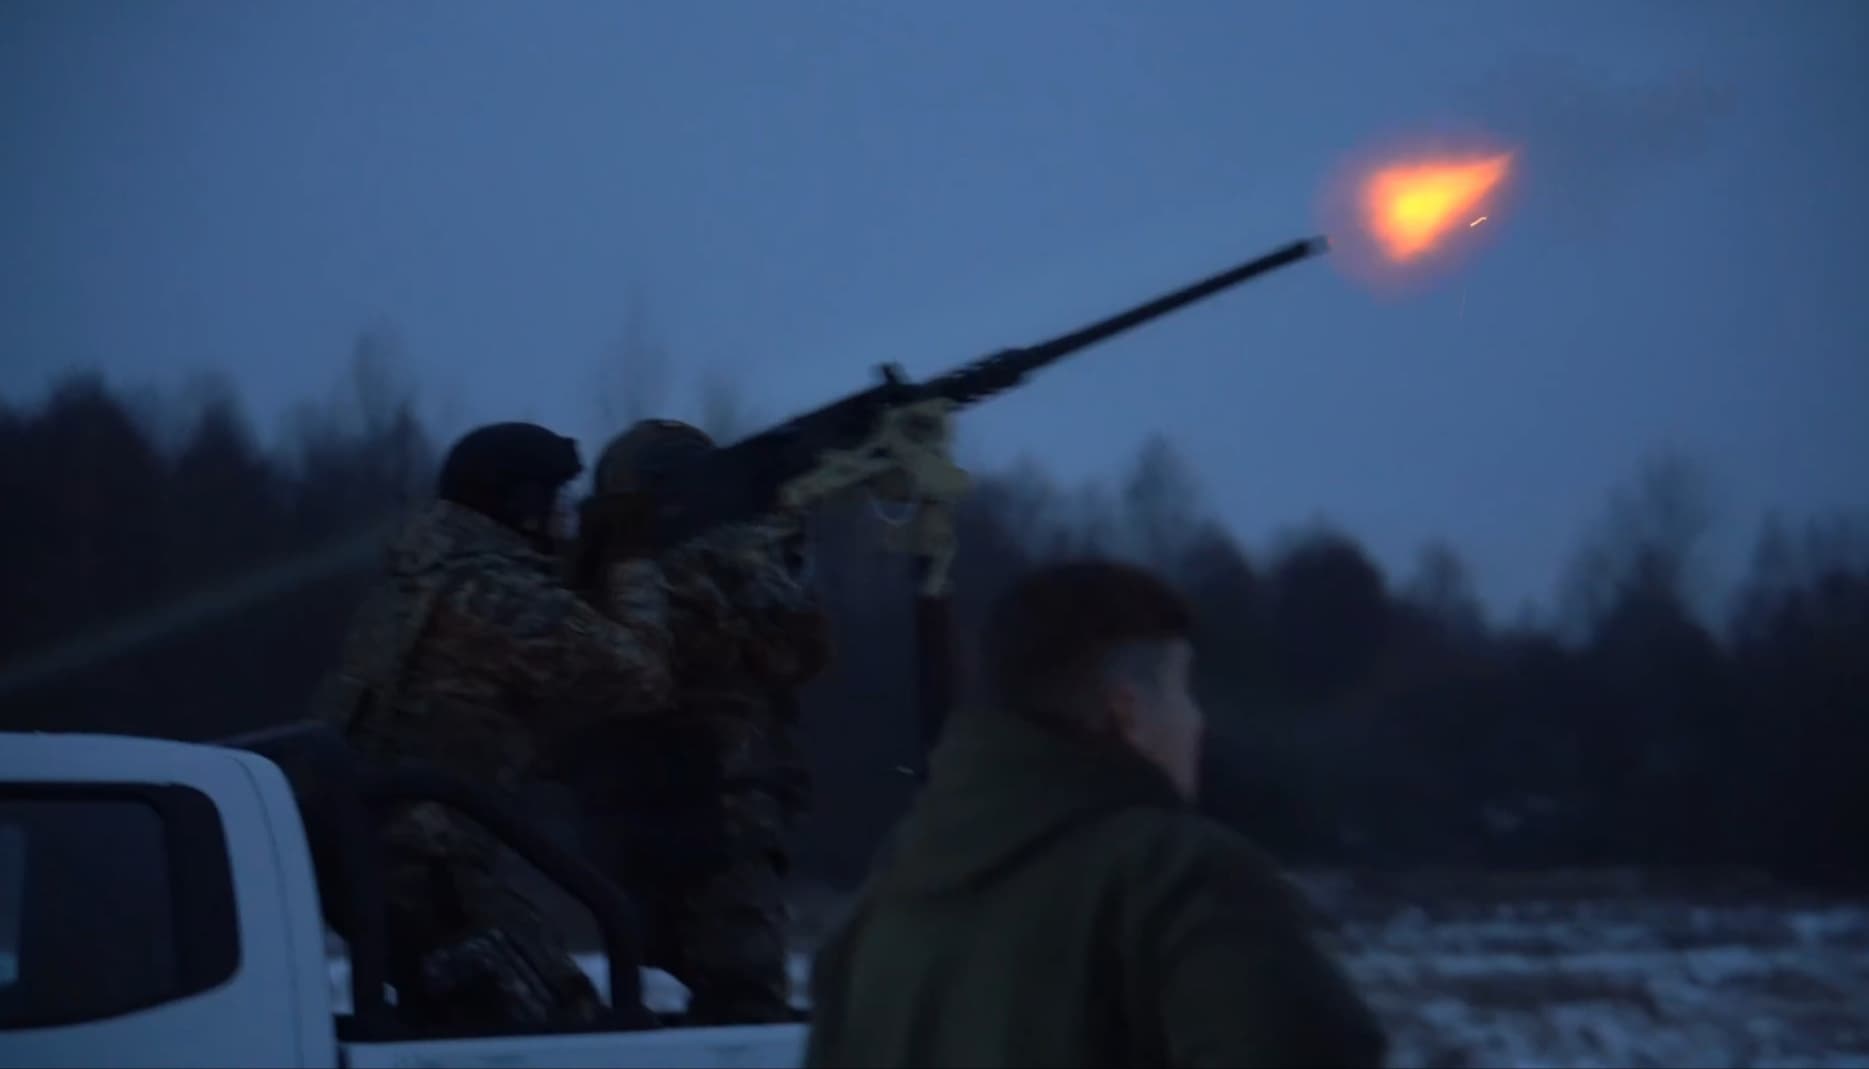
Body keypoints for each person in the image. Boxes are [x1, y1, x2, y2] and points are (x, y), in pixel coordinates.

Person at [805, 559, 1387, 1068]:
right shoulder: (1178, 879)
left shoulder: (882, 906)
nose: (1197, 723)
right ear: (1126, 708)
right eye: (1184, 692)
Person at [312, 421, 677, 1031]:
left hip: (375, 861)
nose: (566, 516)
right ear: (520, 504)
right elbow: (640, 676)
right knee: (566, 1031)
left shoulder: (418, 577)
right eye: (555, 500)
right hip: (429, 869)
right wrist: (632, 560)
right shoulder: (496, 593)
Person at [551, 418, 831, 1025]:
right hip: (713, 810)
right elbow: (790, 648)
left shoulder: (607, 572)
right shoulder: (675, 574)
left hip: (648, 811)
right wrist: (777, 538)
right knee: (742, 998)